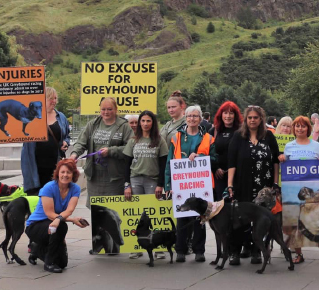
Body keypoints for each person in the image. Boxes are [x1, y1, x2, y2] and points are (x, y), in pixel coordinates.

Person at [0, 87, 71, 196]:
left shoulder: (61, 117)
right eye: (51, 98)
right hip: (34, 166)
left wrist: (66, 142)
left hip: (55, 165)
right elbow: (7, 132)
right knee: (36, 200)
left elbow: (67, 136)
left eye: (55, 98)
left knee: (55, 199)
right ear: (42, 100)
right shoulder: (30, 116)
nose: (54, 101)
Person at [226, 105, 280, 265]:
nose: (252, 120)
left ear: (261, 119)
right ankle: (234, 252)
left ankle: (256, 251)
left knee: (260, 221)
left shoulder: (269, 136)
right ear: (245, 119)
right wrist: (230, 185)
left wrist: (275, 184)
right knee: (238, 219)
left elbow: (276, 161)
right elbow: (232, 162)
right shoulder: (238, 137)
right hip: (243, 185)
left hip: (264, 188)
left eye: (255, 117)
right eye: (249, 117)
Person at [162, 105, 216, 263]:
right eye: (189, 116)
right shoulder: (176, 137)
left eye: (195, 116)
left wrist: (200, 156)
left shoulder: (208, 138)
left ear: (200, 119)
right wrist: (168, 185)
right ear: (185, 118)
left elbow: (214, 160)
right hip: (181, 183)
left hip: (200, 184)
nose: (192, 119)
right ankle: (180, 249)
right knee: (182, 217)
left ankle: (199, 250)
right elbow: (169, 162)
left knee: (200, 217)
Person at [279, 116, 319, 264]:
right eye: (297, 126)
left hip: (313, 193)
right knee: (296, 224)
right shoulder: (289, 146)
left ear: (308, 129)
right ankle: (298, 254)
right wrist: (282, 159)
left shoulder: (316, 146)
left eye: (303, 126)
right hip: (294, 192)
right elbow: (286, 168)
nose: (299, 129)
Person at [67, 97, 133, 208]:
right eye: (103, 109)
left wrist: (111, 151)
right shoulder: (92, 125)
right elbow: (81, 143)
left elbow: (130, 148)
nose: (106, 112)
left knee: (113, 209)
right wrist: (74, 155)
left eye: (109, 109)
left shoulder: (124, 126)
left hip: (114, 177)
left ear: (116, 109)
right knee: (96, 209)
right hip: (94, 176)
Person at [24, 159, 88, 273]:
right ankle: (49, 263)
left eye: (68, 172)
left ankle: (36, 249)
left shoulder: (75, 189)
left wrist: (72, 219)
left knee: (63, 264)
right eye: (62, 172)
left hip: (52, 223)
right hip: (35, 226)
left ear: (73, 174)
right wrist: (60, 220)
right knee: (61, 227)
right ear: (57, 173)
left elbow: (69, 210)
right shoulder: (49, 187)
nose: (65, 175)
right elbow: (49, 214)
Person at [122, 110, 169, 259]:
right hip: (135, 179)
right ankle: (137, 247)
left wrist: (160, 184)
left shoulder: (159, 141)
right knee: (138, 215)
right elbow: (126, 164)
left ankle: (158, 248)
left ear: (153, 123)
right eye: (143, 121)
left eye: (148, 121)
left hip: (152, 180)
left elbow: (163, 165)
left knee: (153, 214)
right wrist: (126, 185)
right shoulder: (133, 140)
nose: (145, 124)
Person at [208, 101, 243, 201]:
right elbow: (209, 152)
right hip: (218, 176)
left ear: (235, 115)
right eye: (225, 113)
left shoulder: (241, 132)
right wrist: (215, 168)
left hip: (237, 174)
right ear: (221, 115)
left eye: (231, 113)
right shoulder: (214, 131)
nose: (228, 116)